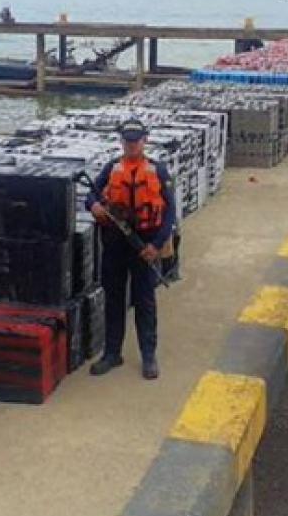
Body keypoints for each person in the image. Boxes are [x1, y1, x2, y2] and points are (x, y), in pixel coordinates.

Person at [86, 119, 176, 380]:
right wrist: (94, 207)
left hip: (144, 245)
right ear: (122, 141)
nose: (132, 144)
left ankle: (149, 356)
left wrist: (156, 246)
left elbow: (170, 212)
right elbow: (91, 194)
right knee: (113, 299)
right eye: (127, 140)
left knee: (144, 301)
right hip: (114, 243)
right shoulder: (111, 168)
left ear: (144, 140)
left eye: (136, 140)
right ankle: (112, 353)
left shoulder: (158, 171)